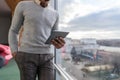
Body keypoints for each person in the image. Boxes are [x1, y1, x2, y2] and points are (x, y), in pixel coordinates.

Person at [8, 0, 65, 80]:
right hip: (27, 55)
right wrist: (14, 51)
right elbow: (13, 30)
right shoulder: (23, 5)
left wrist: (59, 43)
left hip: (47, 56)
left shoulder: (55, 13)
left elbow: (54, 36)